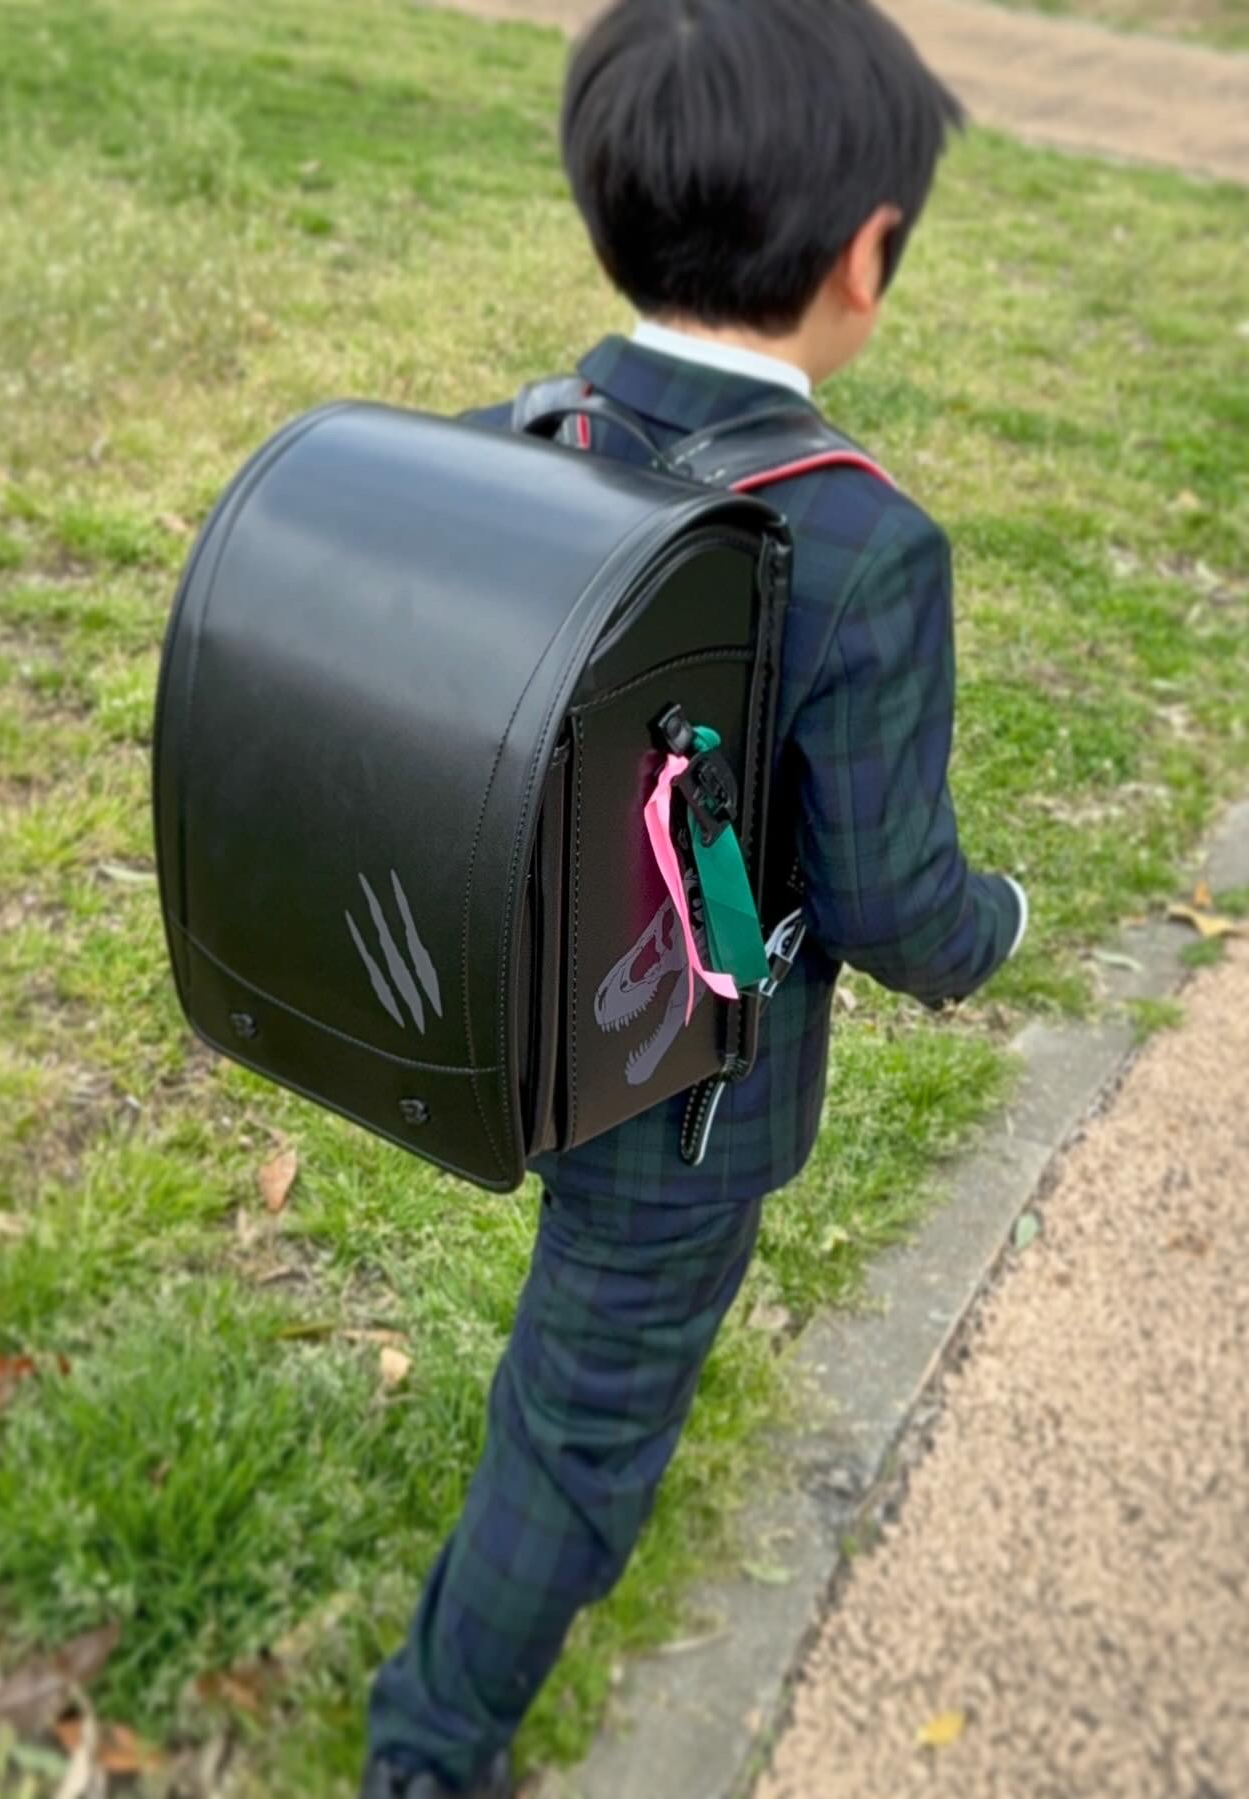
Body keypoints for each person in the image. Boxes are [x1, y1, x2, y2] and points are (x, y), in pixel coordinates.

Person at [361, 2, 1029, 1793]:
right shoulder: (864, 547)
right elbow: (896, 907)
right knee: (577, 1441)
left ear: (608, 211)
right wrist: (1004, 926)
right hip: (678, 1096)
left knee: (565, 1372)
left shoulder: (517, 436)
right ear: (866, 259)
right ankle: (429, 1751)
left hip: (468, 1004)